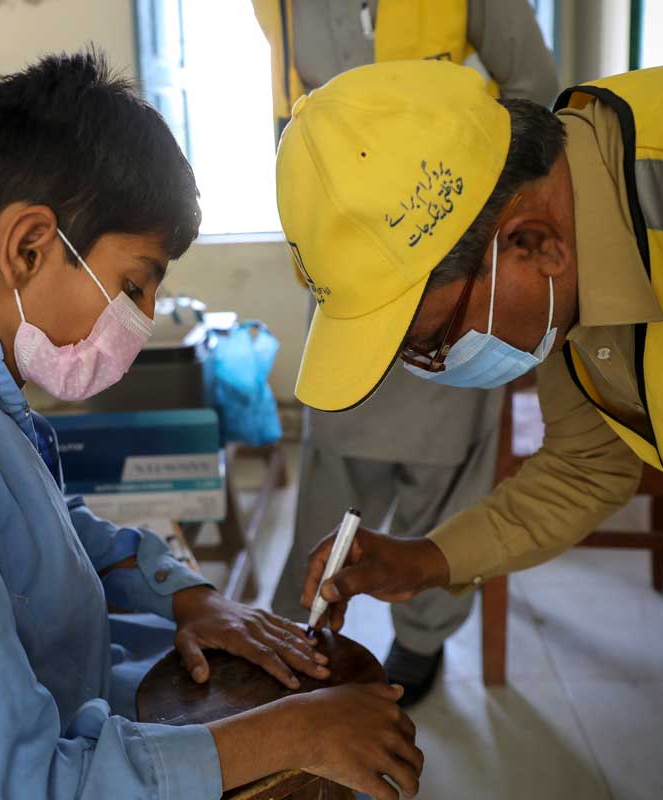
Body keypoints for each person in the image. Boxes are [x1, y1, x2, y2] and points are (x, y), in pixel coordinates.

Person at [0, 50, 422, 800]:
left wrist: (187, 597)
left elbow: (54, 530)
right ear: (28, 248)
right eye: (134, 283)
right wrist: (295, 732)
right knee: (319, 736)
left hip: (72, 703)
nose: (144, 318)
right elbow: (18, 785)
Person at [273, 45, 663, 800]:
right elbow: (589, 466)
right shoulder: (565, 224)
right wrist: (422, 560)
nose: (430, 368)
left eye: (429, 340)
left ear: (533, 245)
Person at [253, 0, 560, 706]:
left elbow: (536, 88)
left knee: (446, 475)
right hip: (352, 278)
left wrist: (471, 205)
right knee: (336, 462)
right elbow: (291, 118)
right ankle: (303, 627)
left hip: (447, 259)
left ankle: (421, 640)